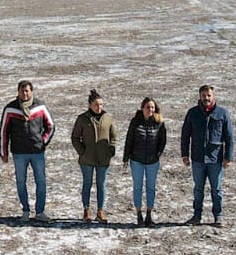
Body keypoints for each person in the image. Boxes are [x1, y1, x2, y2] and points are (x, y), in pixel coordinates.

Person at [0, 80, 55, 223]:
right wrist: (3, 152)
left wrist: (43, 141)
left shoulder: (40, 106)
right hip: (19, 152)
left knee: (41, 181)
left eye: (27, 91)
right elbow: (4, 131)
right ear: (18, 92)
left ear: (32, 92)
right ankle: (25, 210)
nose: (25, 93)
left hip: (37, 152)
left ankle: (40, 211)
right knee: (21, 182)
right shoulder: (10, 109)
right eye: (22, 91)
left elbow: (51, 126)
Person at [180, 84, 236, 226]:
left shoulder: (223, 113)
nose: (206, 98)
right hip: (198, 158)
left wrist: (228, 157)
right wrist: (184, 155)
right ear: (200, 96)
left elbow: (229, 137)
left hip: (215, 159)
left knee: (216, 189)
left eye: (209, 95)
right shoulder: (193, 113)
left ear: (213, 96)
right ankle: (196, 216)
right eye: (204, 95)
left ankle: (218, 216)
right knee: (198, 189)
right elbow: (185, 135)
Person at [121, 97, 168, 227]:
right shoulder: (135, 122)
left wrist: (157, 154)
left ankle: (149, 214)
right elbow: (129, 140)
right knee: (137, 187)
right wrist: (126, 157)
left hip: (152, 161)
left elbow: (162, 141)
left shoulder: (159, 122)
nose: (150, 110)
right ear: (142, 108)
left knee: (151, 188)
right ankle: (138, 214)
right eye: (147, 107)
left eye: (152, 107)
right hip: (137, 160)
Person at [70, 89, 116, 222]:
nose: (99, 107)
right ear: (90, 105)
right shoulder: (82, 119)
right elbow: (75, 137)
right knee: (87, 184)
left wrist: (111, 150)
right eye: (96, 104)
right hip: (87, 159)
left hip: (103, 158)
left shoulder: (107, 118)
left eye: (101, 104)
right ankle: (86, 210)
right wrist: (82, 152)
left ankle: (100, 211)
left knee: (101, 184)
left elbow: (113, 136)